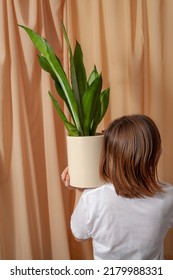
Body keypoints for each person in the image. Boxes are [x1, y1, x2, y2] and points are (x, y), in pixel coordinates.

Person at [61, 114, 173, 260]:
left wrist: (80, 189)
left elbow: (79, 234)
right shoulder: (168, 197)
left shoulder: (93, 199)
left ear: (109, 155)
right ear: (157, 153)